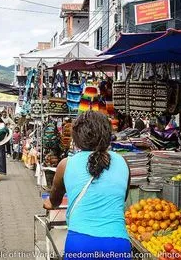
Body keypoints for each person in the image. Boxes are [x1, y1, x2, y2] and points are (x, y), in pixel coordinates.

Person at [43, 111, 131, 260]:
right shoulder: (123, 163)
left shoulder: (66, 164)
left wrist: (49, 203)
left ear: (77, 137)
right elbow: (122, 199)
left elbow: (54, 201)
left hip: (81, 244)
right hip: (118, 244)